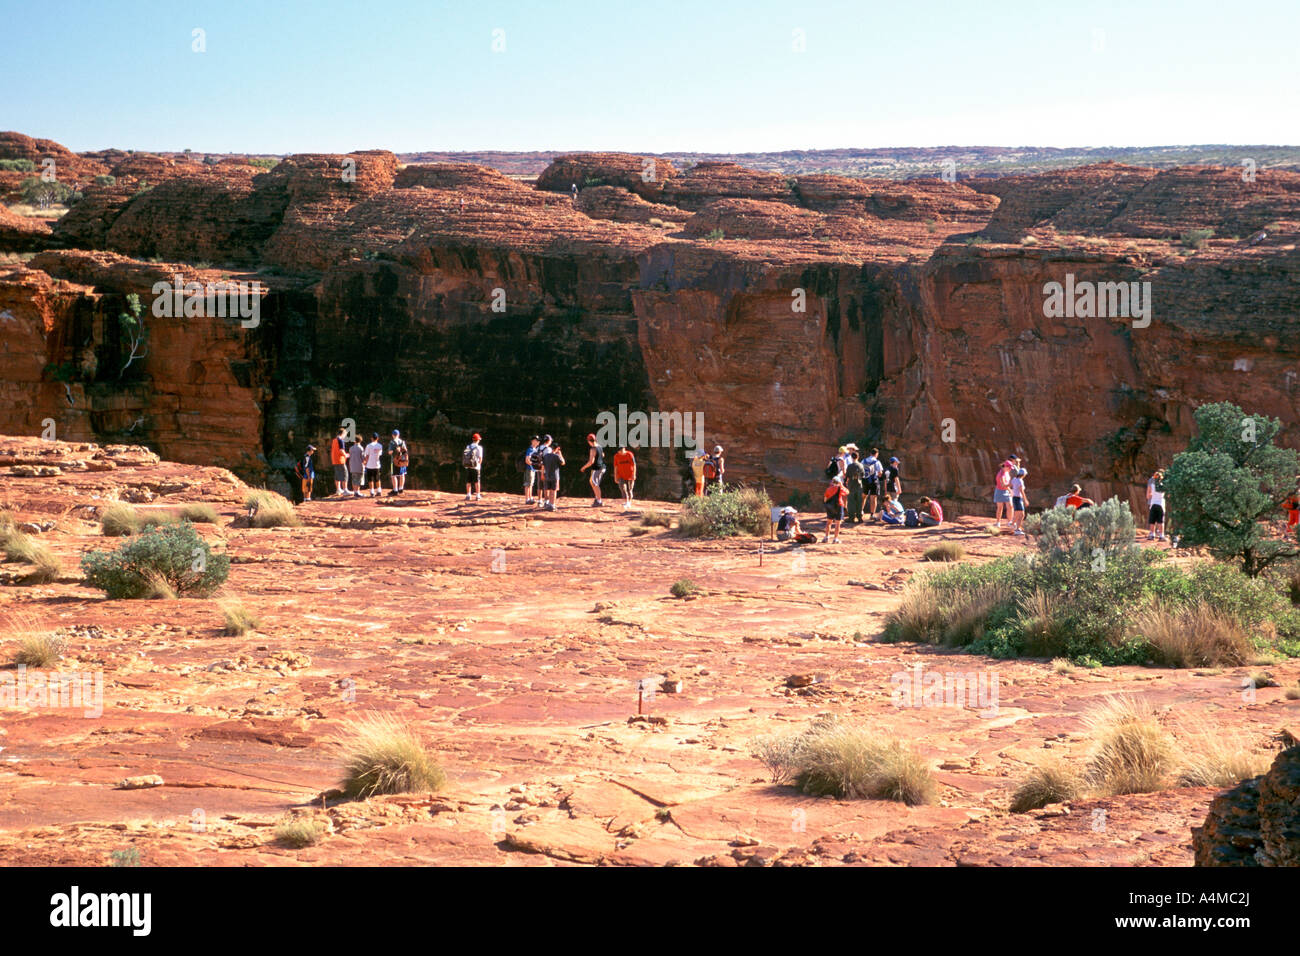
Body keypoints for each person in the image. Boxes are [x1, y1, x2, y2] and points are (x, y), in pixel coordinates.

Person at [579, 433, 606, 507]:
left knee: (595, 483)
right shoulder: (599, 446)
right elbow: (603, 455)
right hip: (602, 467)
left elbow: (591, 462)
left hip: (597, 468)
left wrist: (583, 467)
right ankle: (597, 498)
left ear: (588, 441)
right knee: (592, 481)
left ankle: (599, 501)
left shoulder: (593, 449)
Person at [823, 474, 847, 544]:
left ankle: (826, 537)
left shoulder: (828, 489)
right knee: (837, 524)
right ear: (839, 482)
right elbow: (847, 492)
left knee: (829, 522)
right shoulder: (840, 488)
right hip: (839, 506)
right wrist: (841, 485)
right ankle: (835, 539)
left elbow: (825, 499)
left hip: (830, 507)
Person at [541, 442, 565, 511]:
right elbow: (563, 462)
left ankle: (547, 503)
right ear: (557, 448)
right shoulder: (556, 456)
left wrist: (542, 474)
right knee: (553, 491)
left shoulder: (546, 456)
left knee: (547, 489)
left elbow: (543, 465)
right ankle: (552, 504)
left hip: (547, 475)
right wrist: (560, 454)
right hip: (555, 476)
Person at [612, 444, 637, 510]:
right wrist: (615, 477)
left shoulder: (630, 454)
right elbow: (615, 467)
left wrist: (634, 474)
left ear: (624, 449)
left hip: (630, 475)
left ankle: (629, 502)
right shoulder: (616, 456)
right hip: (621, 476)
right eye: (619, 450)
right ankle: (626, 502)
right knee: (623, 489)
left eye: (621, 450)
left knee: (630, 490)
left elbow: (634, 465)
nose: (620, 451)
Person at [531, 435, 553, 508]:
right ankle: (546, 501)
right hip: (545, 469)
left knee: (539, 485)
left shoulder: (538, 447)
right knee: (546, 485)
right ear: (549, 441)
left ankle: (539, 500)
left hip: (538, 468)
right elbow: (548, 460)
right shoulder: (548, 449)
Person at [1146, 470, 1168, 541]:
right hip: (1161, 504)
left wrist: (1151, 495)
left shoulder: (1152, 485)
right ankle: (1161, 536)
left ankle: (1152, 535)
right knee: (1160, 521)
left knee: (1152, 520)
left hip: (1153, 504)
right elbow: (1168, 495)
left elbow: (1148, 496)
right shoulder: (1164, 486)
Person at [844, 451, 865, 524]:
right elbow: (863, 475)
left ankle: (851, 518)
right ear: (858, 457)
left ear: (851, 457)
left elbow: (847, 476)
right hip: (859, 486)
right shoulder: (861, 465)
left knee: (851, 502)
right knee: (859, 501)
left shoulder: (850, 466)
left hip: (851, 485)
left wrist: (845, 483)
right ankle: (859, 518)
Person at [862, 447, 882, 519]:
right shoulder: (877, 462)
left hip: (865, 480)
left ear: (870, 453)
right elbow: (880, 473)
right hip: (874, 481)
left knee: (864, 496)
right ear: (876, 454)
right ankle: (872, 514)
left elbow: (861, 471)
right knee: (873, 498)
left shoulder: (863, 461)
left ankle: (860, 511)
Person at [463, 432, 484, 501]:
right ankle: (478, 495)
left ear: (473, 439)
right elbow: (480, 458)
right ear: (478, 440)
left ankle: (468, 495)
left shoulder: (468, 446)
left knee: (468, 481)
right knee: (477, 481)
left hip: (468, 466)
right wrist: (479, 465)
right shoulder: (479, 447)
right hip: (476, 466)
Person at [388, 429, 409, 496]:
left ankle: (395, 490)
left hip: (394, 461)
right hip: (402, 460)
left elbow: (390, 452)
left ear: (392, 435)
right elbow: (405, 451)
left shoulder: (392, 442)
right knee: (402, 474)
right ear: (398, 435)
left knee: (393, 475)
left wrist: (394, 451)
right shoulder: (402, 441)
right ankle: (401, 489)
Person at [993, 459, 1014, 526]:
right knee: (1000, 507)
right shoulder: (1000, 474)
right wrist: (1011, 488)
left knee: (1010, 506)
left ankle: (1010, 522)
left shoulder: (1007, 472)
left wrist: (1010, 489)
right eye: (1009, 468)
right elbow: (1003, 485)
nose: (1010, 469)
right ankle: (998, 523)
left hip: (1006, 491)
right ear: (1006, 467)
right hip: (1000, 491)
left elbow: (1006, 484)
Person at [363, 432, 384, 497]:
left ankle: (372, 492)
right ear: (377, 438)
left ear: (371, 438)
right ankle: (379, 491)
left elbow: (367, 455)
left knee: (370, 479)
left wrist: (365, 462)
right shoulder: (380, 446)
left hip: (369, 465)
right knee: (377, 478)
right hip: (377, 465)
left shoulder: (368, 446)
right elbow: (379, 455)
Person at [329, 427, 349, 497]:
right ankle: (345, 490)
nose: (345, 436)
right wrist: (346, 455)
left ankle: (338, 489)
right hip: (340, 460)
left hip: (335, 460)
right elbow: (341, 450)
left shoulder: (334, 440)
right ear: (342, 433)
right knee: (344, 474)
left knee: (337, 475)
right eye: (345, 434)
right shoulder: (340, 440)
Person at [522, 436, 541, 505]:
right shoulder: (530, 449)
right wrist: (534, 464)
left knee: (531, 484)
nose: (538, 442)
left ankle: (530, 497)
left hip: (532, 469)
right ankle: (527, 499)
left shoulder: (534, 449)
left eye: (538, 441)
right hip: (529, 469)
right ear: (532, 441)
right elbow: (527, 460)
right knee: (528, 484)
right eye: (536, 440)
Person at [1010, 467, 1029, 535]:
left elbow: (1010, 485)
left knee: (1020, 514)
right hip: (1018, 498)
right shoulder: (1020, 481)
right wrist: (1025, 500)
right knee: (1020, 514)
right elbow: (1021, 491)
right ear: (1023, 474)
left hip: (1015, 498)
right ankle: (1014, 526)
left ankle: (1016, 527)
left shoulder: (1014, 479)